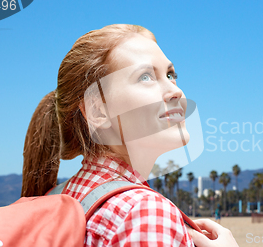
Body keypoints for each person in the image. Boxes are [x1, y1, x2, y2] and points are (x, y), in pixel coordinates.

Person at [21, 24, 238, 247]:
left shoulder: (57, 196)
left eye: (171, 75)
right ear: (98, 111)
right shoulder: (146, 213)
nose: (176, 91)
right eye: (145, 77)